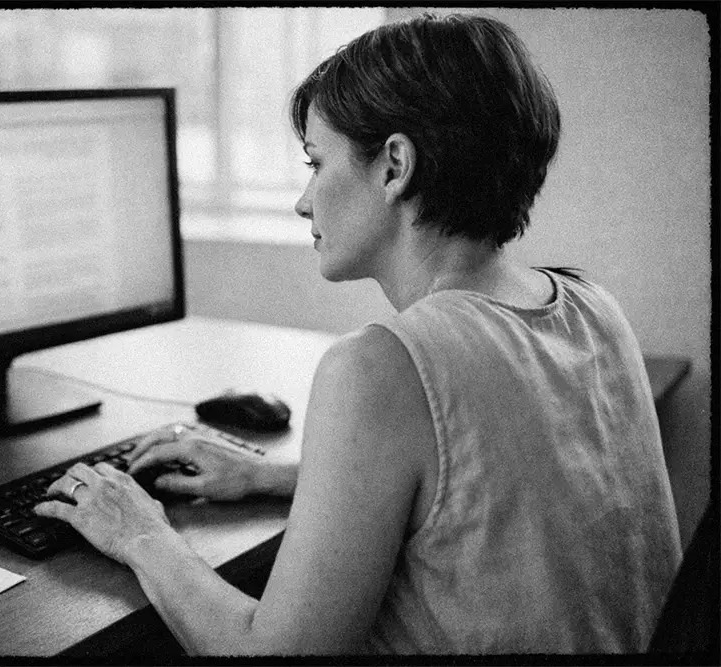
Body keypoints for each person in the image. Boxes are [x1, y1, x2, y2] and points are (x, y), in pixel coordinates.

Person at [34, 12, 682, 655]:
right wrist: (281, 476)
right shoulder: (592, 305)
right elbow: (494, 487)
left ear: (394, 165)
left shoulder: (381, 367)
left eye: (317, 162)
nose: (303, 199)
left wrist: (142, 535)